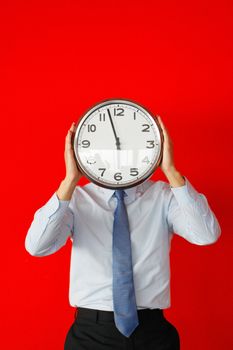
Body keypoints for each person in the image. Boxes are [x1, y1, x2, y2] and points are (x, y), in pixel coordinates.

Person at [25, 116, 221, 350]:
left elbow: (207, 234)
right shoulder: (76, 199)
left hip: (153, 333)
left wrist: (171, 171)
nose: (118, 154)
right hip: (90, 334)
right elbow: (37, 246)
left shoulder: (164, 196)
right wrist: (69, 181)